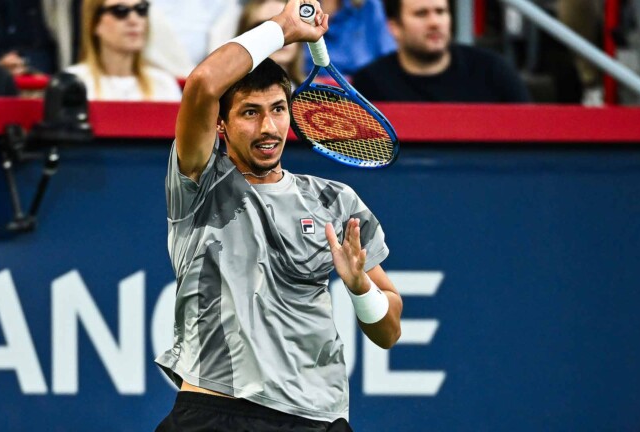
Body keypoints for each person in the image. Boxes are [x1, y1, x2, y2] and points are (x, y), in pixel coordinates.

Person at [154, 0, 403, 430]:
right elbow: (201, 84)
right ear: (222, 125)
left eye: (278, 110)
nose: (268, 128)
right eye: (250, 112)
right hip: (218, 413)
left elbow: (389, 332)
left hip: (317, 418)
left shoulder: (336, 202)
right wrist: (281, 27)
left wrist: (361, 288)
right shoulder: (200, 183)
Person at [352, 0, 531, 103]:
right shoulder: (369, 84)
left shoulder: (493, 71)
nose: (435, 22)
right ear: (394, 28)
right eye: (421, 14)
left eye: (441, 11)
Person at [65, 0, 181, 101]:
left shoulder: (164, 84)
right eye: (120, 11)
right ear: (94, 23)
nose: (134, 20)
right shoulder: (72, 82)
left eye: (141, 9)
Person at [303, 0, 396, 77]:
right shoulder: (296, 9)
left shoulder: (371, 7)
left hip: (365, 92)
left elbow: (391, 62)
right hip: (306, 93)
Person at [236, 0, 305, 85]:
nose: (280, 34)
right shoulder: (226, 93)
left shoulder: (317, 92)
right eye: (264, 27)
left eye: (289, 24)